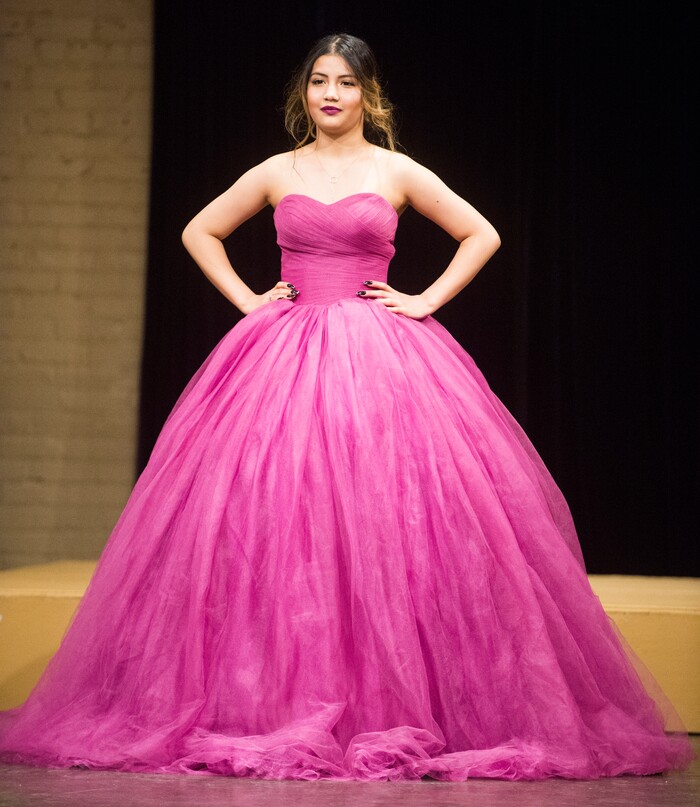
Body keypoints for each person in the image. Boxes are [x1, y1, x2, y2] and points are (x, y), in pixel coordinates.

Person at [0, 33, 693, 782]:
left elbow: (481, 232)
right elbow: (198, 229)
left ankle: (399, 700)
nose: (330, 94)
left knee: (385, 521)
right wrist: (249, 301)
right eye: (318, 82)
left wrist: (424, 299)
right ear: (304, 94)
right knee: (276, 518)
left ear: (370, 95)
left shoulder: (392, 169)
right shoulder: (277, 170)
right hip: (283, 355)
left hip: (380, 361)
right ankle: (264, 697)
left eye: (345, 83)